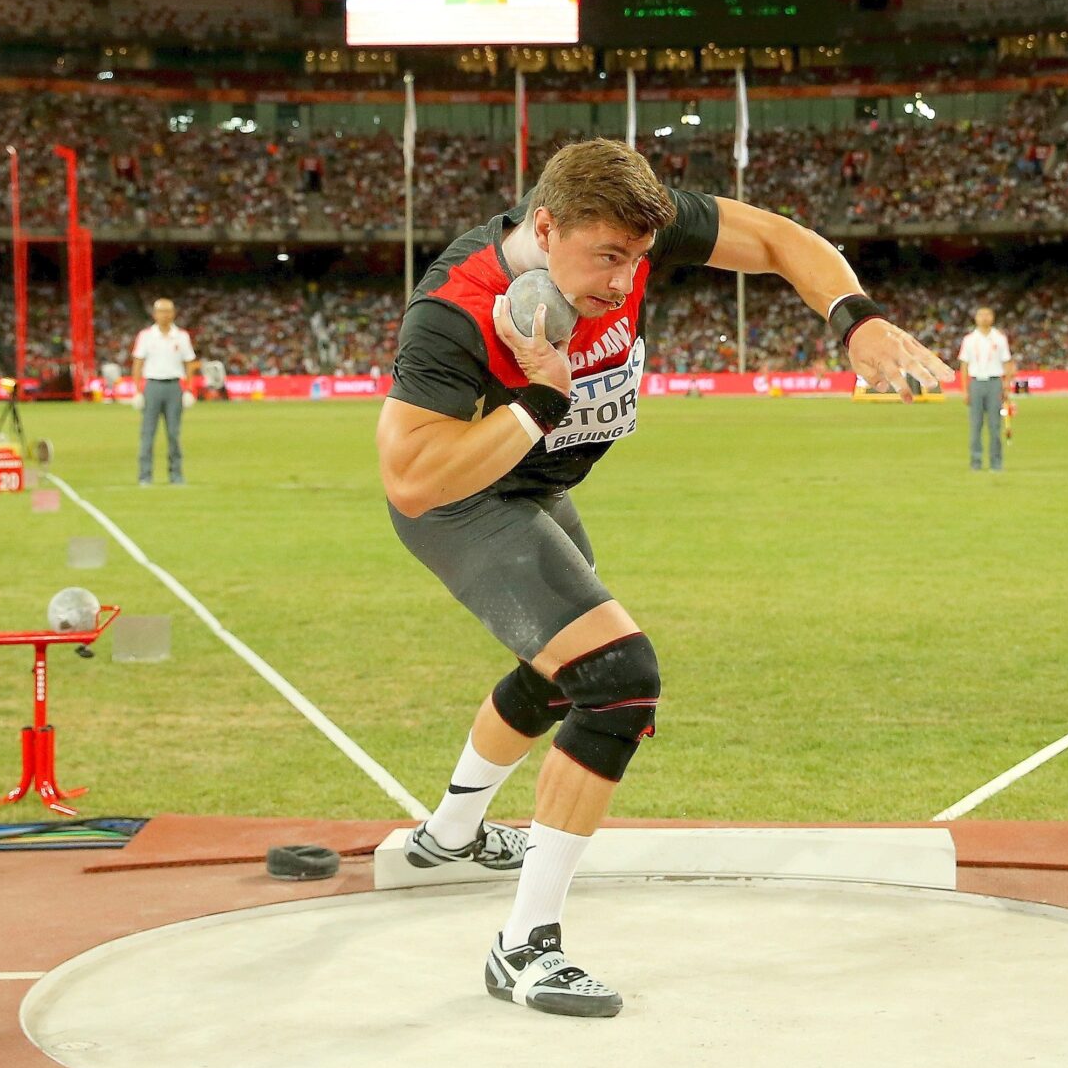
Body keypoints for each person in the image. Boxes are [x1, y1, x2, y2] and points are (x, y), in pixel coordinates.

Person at [376, 140, 950, 1019]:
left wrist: (856, 316)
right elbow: (413, 479)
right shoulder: (454, 311)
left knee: (557, 670)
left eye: (638, 260)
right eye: (606, 258)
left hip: (536, 484)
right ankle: (523, 948)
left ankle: (448, 836)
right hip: (463, 498)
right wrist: (539, 401)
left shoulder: (637, 224)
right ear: (544, 227)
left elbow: (775, 238)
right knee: (616, 679)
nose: (623, 282)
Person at [131, 297, 197, 487]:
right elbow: (138, 363)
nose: (164, 315)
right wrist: (137, 391)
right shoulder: (146, 336)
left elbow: (189, 363)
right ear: (154, 314)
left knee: (174, 434)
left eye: (168, 311)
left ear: (173, 313)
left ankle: (176, 474)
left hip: (174, 386)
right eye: (161, 311)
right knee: (147, 433)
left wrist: (189, 389)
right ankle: (145, 475)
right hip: (152, 386)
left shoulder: (181, 336)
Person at [959, 304, 1013, 471]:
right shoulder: (969, 340)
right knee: (975, 426)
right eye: (981, 315)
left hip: (994, 382)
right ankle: (976, 462)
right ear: (975, 318)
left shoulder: (999, 338)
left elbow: (1007, 363)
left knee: (995, 426)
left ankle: (996, 463)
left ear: (992, 317)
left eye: (987, 314)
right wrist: (965, 390)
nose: (984, 318)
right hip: (975, 383)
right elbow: (964, 366)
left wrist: (1006, 386)